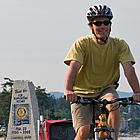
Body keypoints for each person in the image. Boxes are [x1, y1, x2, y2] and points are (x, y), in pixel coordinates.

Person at [64, 4, 140, 140]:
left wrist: (137, 92)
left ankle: (113, 138)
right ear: (90, 26)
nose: (102, 26)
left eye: (106, 22)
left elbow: (128, 69)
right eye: (97, 23)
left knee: (114, 103)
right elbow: (74, 66)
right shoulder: (82, 44)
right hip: (82, 92)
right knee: (84, 131)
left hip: (106, 89)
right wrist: (69, 91)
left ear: (110, 25)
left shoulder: (120, 45)